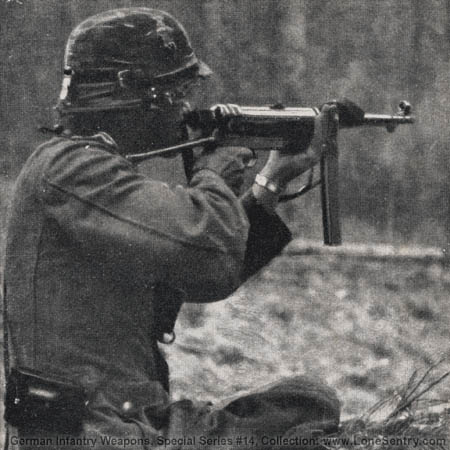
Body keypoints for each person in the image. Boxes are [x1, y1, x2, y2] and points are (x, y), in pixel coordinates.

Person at [2, 8, 342, 450]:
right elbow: (205, 248)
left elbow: (203, 274)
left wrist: (271, 181)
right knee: (308, 404)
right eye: (175, 91)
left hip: (111, 421)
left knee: (305, 399)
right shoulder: (72, 169)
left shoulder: (85, 169)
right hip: (96, 432)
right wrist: (213, 176)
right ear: (135, 95)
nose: (183, 107)